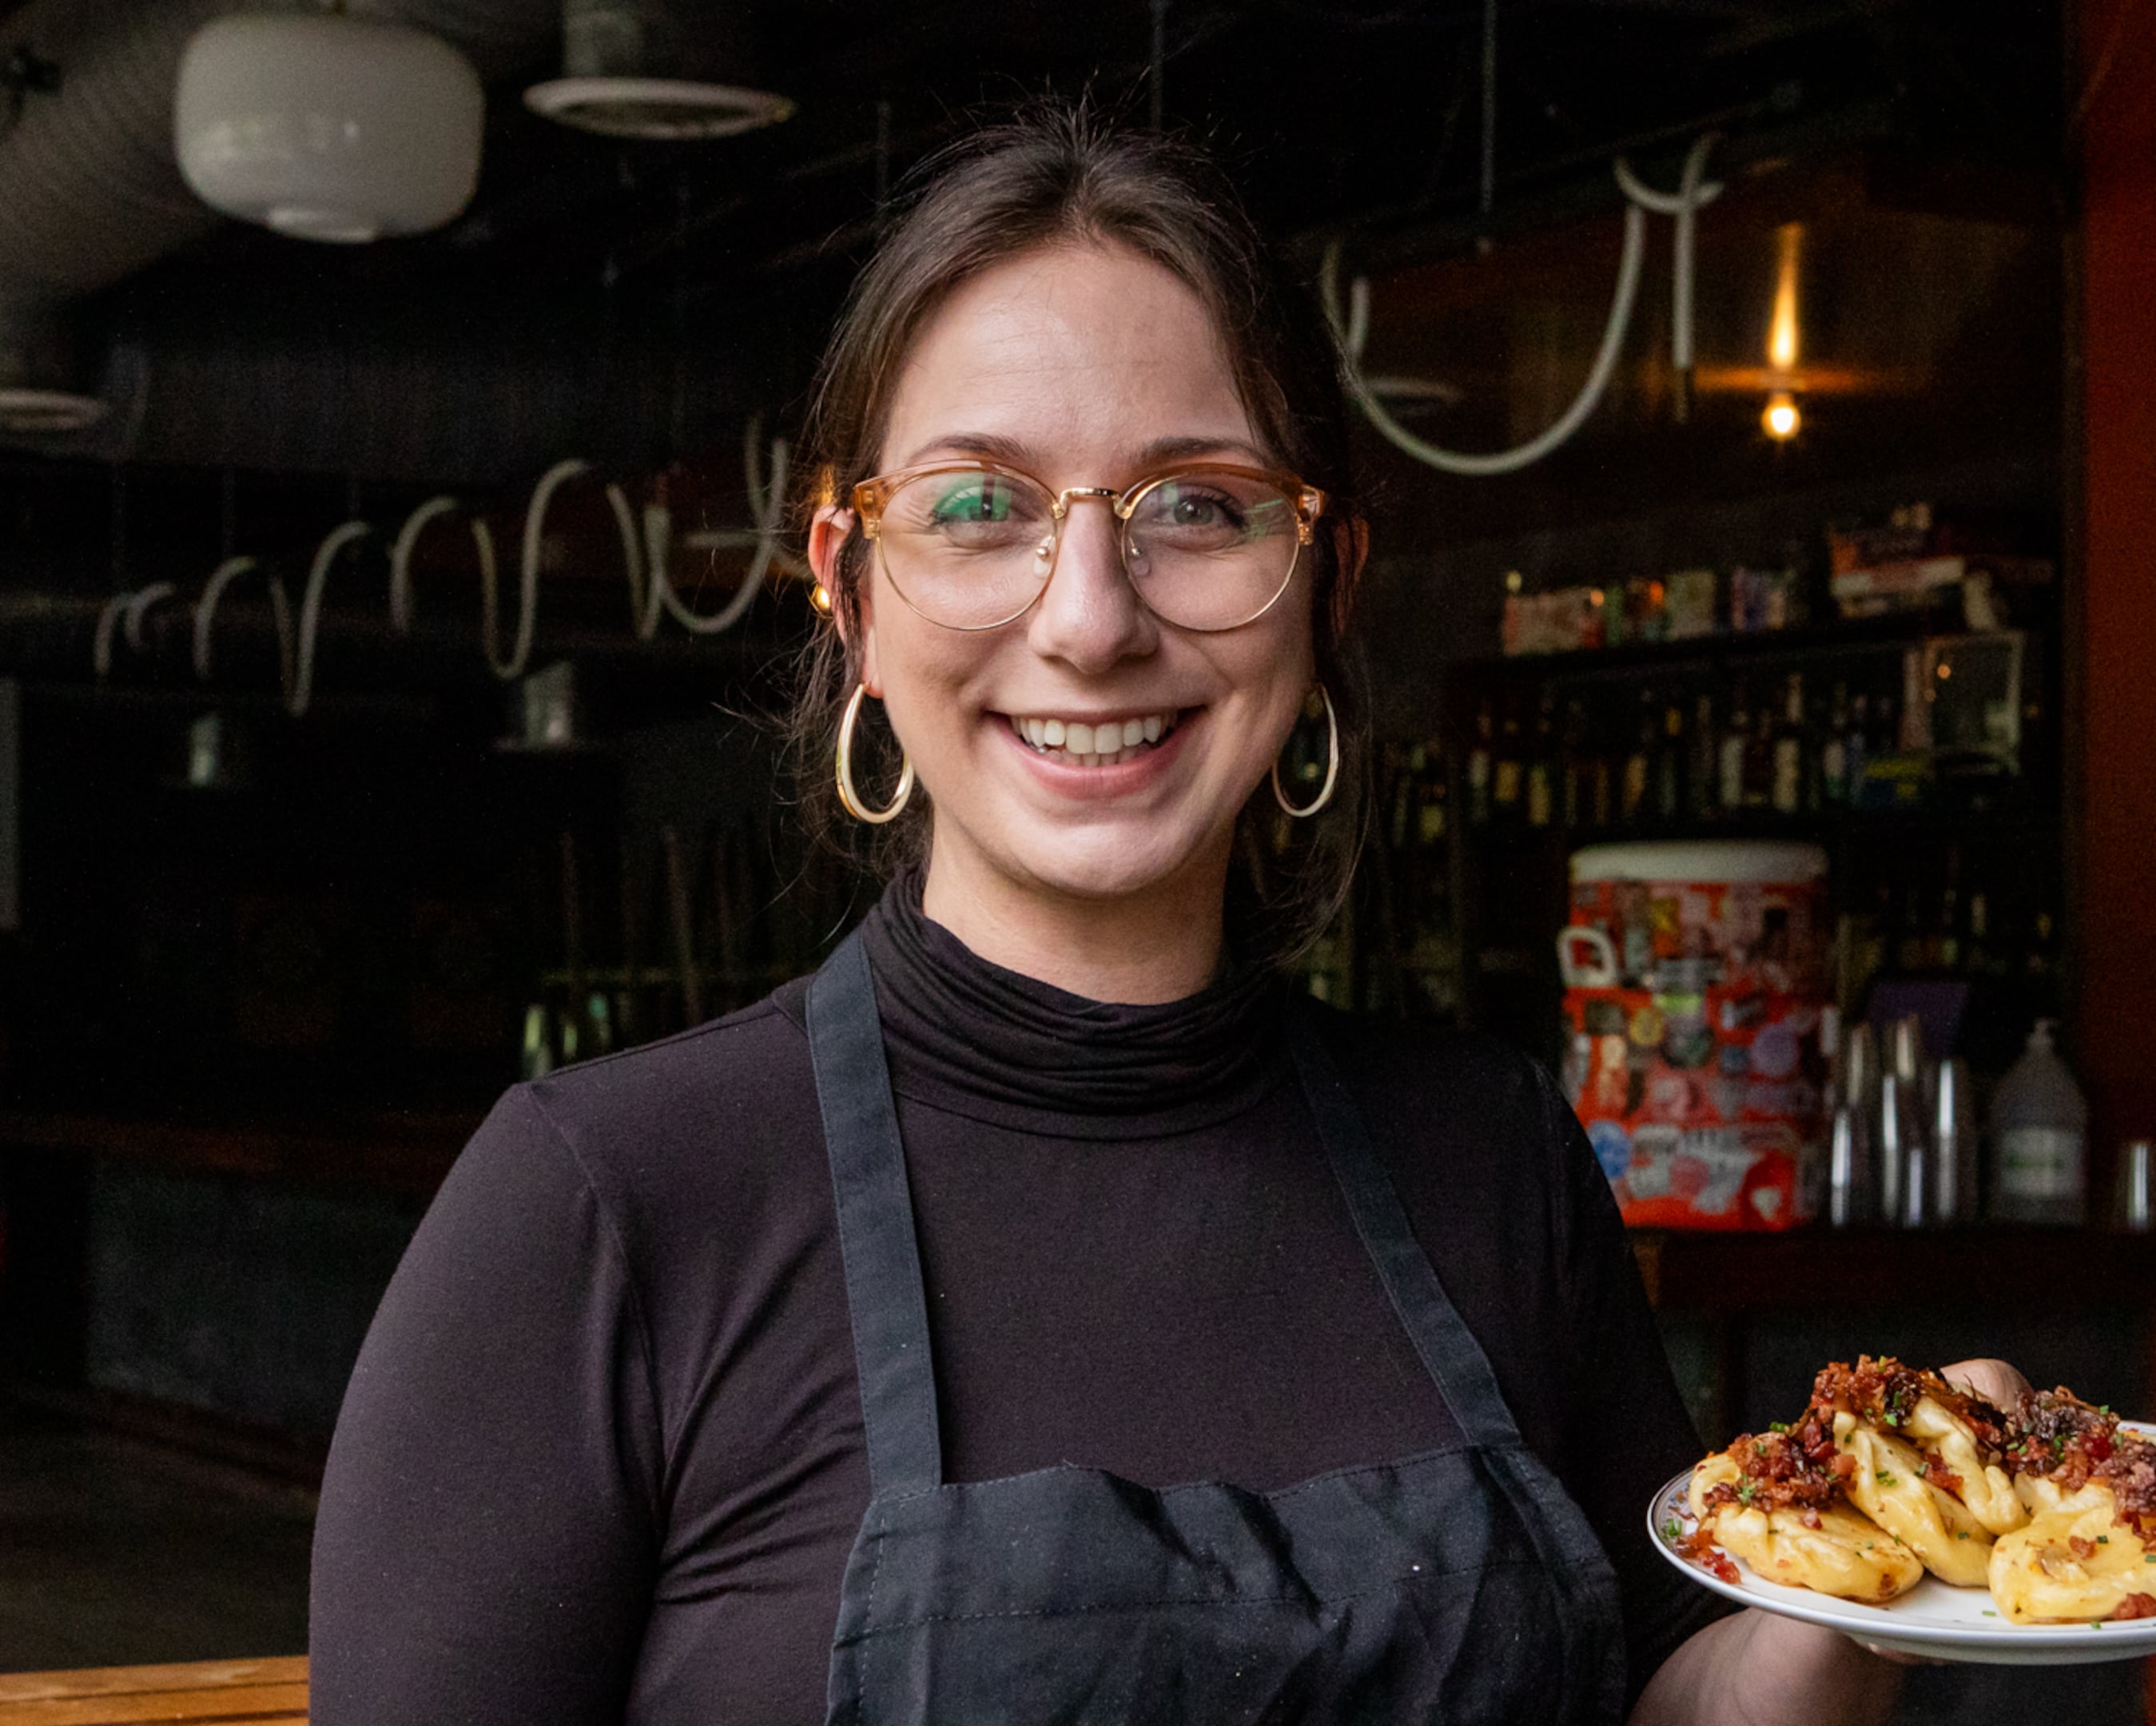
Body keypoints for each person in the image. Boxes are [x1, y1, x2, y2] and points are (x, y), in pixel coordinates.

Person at [308, 102, 2031, 1724]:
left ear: (1329, 578)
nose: (1090, 618)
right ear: (847, 588)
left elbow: (1662, 1696)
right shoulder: (607, 1206)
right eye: (977, 507)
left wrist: (1865, 1594)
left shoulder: (1490, 1156)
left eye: (1195, 508)